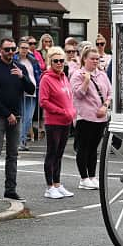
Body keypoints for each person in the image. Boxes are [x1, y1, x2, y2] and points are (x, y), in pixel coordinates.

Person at [0, 38, 35, 201]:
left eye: (13, 49)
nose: (10, 52)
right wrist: (7, 114)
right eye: (7, 49)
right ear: (0, 50)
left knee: (13, 154)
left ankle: (10, 189)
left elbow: (31, 89)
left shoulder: (19, 68)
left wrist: (23, 77)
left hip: (17, 115)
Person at [71, 46, 111, 190]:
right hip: (85, 117)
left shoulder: (102, 74)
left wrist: (105, 106)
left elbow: (110, 93)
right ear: (84, 59)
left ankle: (92, 176)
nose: (95, 61)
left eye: (97, 59)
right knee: (83, 148)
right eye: (92, 59)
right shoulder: (77, 75)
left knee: (94, 148)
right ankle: (83, 178)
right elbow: (78, 94)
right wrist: (86, 81)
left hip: (100, 117)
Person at [38, 47, 76, 199]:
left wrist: (71, 111)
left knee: (59, 154)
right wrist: (62, 111)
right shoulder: (46, 79)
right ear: (50, 62)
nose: (59, 63)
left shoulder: (64, 77)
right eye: (56, 61)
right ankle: (49, 187)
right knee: (52, 153)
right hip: (53, 121)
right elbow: (43, 101)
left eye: (61, 60)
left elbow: (69, 97)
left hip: (65, 121)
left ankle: (58, 184)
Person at [14, 40, 41, 151]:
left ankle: (23, 140)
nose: (25, 50)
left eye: (26, 47)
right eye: (22, 47)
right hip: (20, 91)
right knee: (20, 117)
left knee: (29, 118)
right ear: (18, 48)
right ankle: (19, 141)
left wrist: (39, 85)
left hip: (33, 90)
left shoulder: (33, 60)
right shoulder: (14, 60)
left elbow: (38, 74)